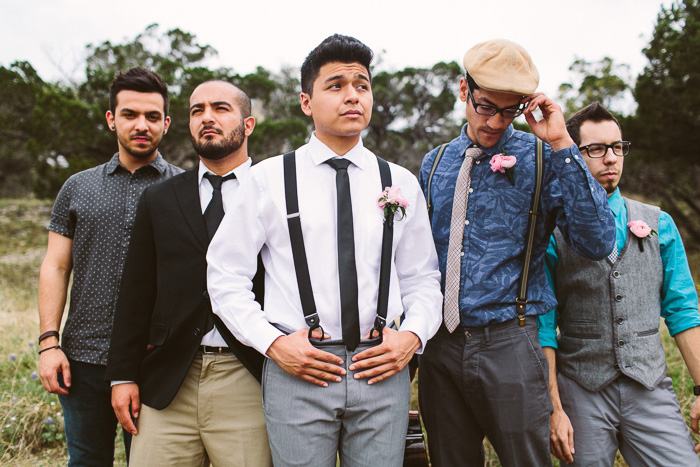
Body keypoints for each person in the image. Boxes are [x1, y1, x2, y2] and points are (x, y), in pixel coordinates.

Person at [207, 34, 442, 467]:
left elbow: (422, 277)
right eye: (335, 84)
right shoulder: (268, 180)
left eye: (362, 84)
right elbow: (224, 274)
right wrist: (274, 344)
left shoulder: (400, 181)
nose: (352, 95)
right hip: (299, 370)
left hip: (382, 367)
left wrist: (412, 336)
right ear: (306, 102)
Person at [417, 39, 616, 466]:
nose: (494, 122)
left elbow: (598, 241)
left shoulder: (544, 158)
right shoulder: (433, 164)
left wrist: (563, 143)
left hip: (510, 340)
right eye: (486, 106)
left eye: (509, 111)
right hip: (440, 345)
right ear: (462, 89)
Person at [105, 80, 271, 466]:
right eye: (197, 111)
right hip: (168, 379)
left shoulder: (274, 193)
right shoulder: (160, 197)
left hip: (248, 375)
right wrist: (122, 375)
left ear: (248, 125)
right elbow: (136, 291)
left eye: (220, 109)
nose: (206, 118)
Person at [538, 101, 700, 466]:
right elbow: (544, 326)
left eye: (617, 147)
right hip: (581, 389)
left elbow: (683, 311)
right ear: (574, 155)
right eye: (595, 149)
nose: (610, 158)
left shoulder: (660, 223)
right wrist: (554, 409)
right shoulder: (552, 229)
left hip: (649, 387)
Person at [37, 66, 182, 465]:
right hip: (82, 358)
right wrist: (49, 343)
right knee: (86, 461)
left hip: (154, 362)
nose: (142, 125)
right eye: (130, 114)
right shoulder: (77, 187)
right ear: (111, 119)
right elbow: (55, 266)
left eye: (153, 116)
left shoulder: (184, 189)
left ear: (166, 124)